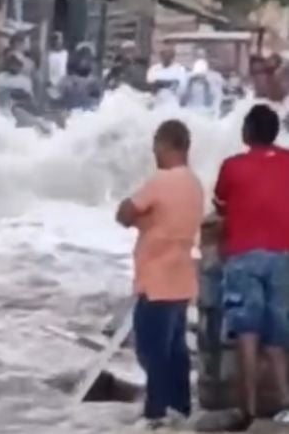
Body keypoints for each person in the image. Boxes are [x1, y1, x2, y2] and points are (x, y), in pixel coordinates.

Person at [115, 120, 204, 429]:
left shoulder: (161, 181)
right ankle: (180, 408)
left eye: (156, 144)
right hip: (181, 279)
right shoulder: (194, 184)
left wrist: (131, 211)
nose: (153, 151)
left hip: (156, 280)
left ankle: (155, 412)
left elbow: (125, 213)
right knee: (175, 349)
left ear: (167, 145)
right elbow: (159, 220)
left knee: (150, 350)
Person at [213, 105, 289, 429]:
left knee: (247, 333)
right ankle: (285, 404)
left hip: (243, 257)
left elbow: (220, 202)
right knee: (276, 337)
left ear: (248, 132)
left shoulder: (232, 166)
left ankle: (249, 409)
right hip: (283, 256)